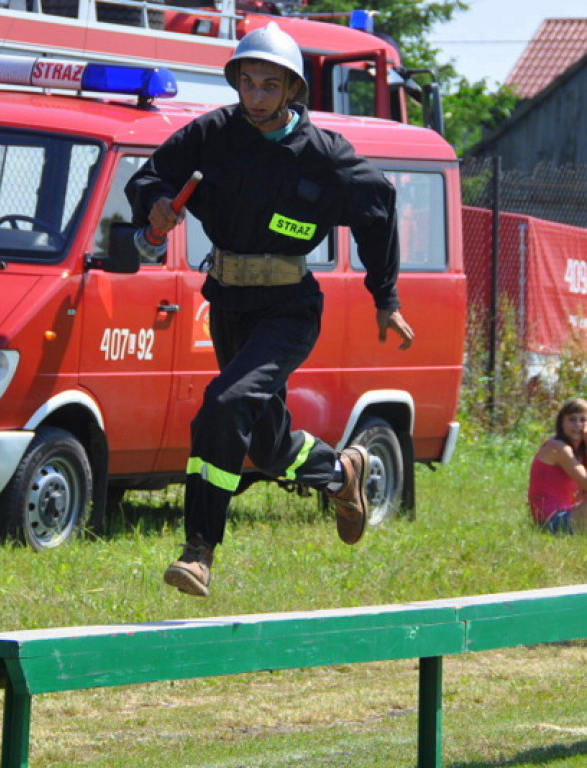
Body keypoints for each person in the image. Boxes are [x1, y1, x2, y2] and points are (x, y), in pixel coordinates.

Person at [125, 23, 415, 597]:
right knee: (266, 444)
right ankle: (341, 472)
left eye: (268, 86)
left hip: (289, 310)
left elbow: (379, 207)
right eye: (247, 83)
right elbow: (150, 177)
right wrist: (156, 207)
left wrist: (385, 297)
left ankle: (199, 550)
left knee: (223, 404)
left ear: (292, 91)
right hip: (229, 302)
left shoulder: (324, 155)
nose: (254, 97)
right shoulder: (211, 133)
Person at [527, 398, 587, 535]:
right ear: (562, 423)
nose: (577, 425)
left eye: (583, 420)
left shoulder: (580, 449)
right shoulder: (558, 447)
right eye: (572, 419)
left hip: (573, 514)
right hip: (554, 522)